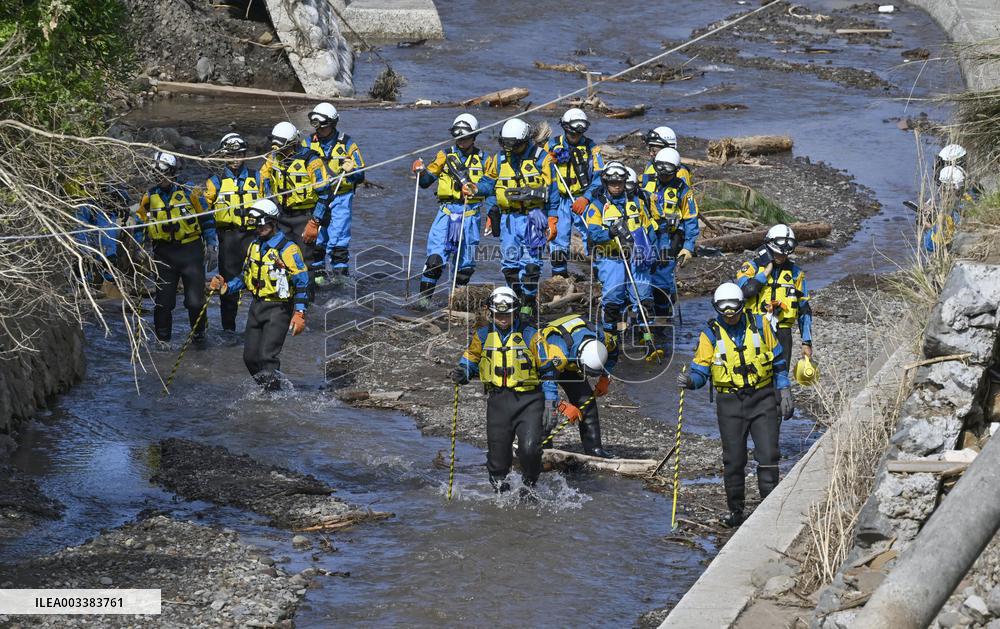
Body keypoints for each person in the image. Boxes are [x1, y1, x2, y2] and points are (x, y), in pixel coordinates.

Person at [677, 282, 793, 528]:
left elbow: (779, 360)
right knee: (734, 460)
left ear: (742, 306)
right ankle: (736, 511)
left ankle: (769, 510)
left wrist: (784, 390)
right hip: (730, 404)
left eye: (734, 309)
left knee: (768, 454)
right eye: (724, 311)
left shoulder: (761, 325)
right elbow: (701, 372)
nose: (730, 315)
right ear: (717, 309)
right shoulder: (709, 335)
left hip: (763, 398)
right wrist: (689, 381)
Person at [452, 287, 559, 493]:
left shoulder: (531, 336)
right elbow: (469, 361)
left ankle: (529, 487)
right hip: (498, 402)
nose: (502, 318)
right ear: (491, 313)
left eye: (507, 314)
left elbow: (548, 371)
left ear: (515, 313)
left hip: (529, 401)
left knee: (529, 450)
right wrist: (462, 373)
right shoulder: (482, 336)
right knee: (498, 460)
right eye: (498, 314)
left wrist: (550, 404)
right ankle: (501, 493)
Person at [209, 199, 308, 390]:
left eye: (263, 223)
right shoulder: (254, 246)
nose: (259, 227)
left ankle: (274, 399)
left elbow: (302, 281)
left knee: (266, 357)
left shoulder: (288, 249)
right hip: (257, 307)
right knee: (250, 358)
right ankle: (270, 390)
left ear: (273, 222)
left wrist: (300, 312)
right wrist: (226, 287)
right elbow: (246, 276)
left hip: (278, 309)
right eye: (256, 223)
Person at [467, 118, 559, 320]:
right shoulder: (499, 160)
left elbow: (553, 191)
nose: (509, 149)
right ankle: (516, 298)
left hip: (535, 216)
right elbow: (488, 184)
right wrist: (477, 191)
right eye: (505, 144)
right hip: (509, 218)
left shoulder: (542, 159)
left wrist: (553, 219)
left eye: (513, 145)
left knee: (532, 264)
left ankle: (528, 303)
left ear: (524, 141)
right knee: (509, 265)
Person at [137, 152, 217, 346]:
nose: (160, 178)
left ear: (172, 173)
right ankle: (163, 341)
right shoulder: (148, 197)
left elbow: (206, 219)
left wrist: (212, 245)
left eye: (164, 174)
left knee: (195, 302)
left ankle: (199, 336)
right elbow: (140, 224)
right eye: (156, 175)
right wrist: (140, 248)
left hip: (191, 251)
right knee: (163, 303)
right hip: (164, 254)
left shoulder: (191, 192)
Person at [410, 113, 490, 308]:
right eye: (458, 137)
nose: (462, 141)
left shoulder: (485, 160)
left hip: (470, 216)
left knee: (464, 268)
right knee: (435, 261)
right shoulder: (444, 155)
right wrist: (419, 171)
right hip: (446, 215)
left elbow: (491, 187)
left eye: (465, 137)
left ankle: (454, 305)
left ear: (474, 136)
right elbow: (427, 182)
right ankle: (423, 303)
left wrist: (478, 191)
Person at [583, 161, 658, 353]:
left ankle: (647, 337)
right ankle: (611, 337)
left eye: (620, 182)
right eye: (612, 182)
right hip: (611, 256)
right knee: (613, 296)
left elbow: (649, 227)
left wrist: (651, 249)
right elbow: (593, 233)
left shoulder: (637, 202)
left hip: (636, 255)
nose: (616, 186)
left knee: (643, 295)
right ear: (606, 182)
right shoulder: (597, 206)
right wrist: (610, 233)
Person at [203, 132, 270, 332]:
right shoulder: (214, 182)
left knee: (260, 279)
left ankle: (262, 325)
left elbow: (270, 206)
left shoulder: (257, 177)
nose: (235, 160)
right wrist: (210, 244)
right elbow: (205, 215)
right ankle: (229, 329)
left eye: (239, 154)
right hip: (228, 239)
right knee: (228, 286)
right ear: (223, 156)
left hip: (254, 237)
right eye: (230, 156)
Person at [260, 121, 330, 293]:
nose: (278, 151)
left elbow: (325, 194)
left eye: (282, 147)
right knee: (278, 257)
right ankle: (286, 297)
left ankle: (307, 303)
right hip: (282, 216)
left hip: (304, 217)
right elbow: (264, 179)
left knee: (305, 261)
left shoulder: (312, 161)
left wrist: (315, 222)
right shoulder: (273, 158)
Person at [735, 224, 813, 375]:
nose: (781, 257)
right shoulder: (750, 268)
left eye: (784, 255)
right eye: (777, 254)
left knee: (781, 373)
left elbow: (804, 309)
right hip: (754, 330)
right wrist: (767, 270)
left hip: (783, 332)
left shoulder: (796, 274)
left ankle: (782, 397)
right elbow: (747, 291)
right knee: (755, 374)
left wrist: (806, 342)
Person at [538, 314, 619, 457]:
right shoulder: (558, 351)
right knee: (546, 408)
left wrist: (605, 377)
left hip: (571, 362)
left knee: (586, 402)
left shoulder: (602, 338)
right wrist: (561, 406)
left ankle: (594, 450)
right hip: (544, 365)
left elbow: (614, 351)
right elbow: (547, 384)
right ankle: (542, 448)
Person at [306, 103, 366, 277]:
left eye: (323, 127)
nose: (320, 132)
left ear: (333, 124)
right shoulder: (307, 143)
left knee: (338, 241)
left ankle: (340, 280)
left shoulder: (348, 144)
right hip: (316, 198)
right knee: (317, 240)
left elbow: (361, 175)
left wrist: (352, 171)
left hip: (341, 198)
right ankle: (317, 280)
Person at [547, 108, 604, 277]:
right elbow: (541, 172)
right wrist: (548, 161)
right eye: (572, 133)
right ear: (565, 128)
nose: (575, 136)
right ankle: (559, 277)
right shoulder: (551, 145)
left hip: (583, 200)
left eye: (579, 133)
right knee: (557, 240)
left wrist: (586, 198)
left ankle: (600, 276)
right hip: (559, 200)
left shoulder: (593, 149)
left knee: (593, 236)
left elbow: (600, 177)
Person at [644, 147, 699, 320]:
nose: (664, 177)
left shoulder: (683, 190)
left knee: (662, 275)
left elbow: (691, 219)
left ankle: (663, 313)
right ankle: (648, 309)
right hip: (648, 235)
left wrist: (688, 247)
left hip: (670, 238)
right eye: (661, 173)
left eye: (668, 174)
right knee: (645, 273)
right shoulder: (646, 184)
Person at [923, 165, 970, 253]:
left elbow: (931, 246)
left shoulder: (946, 214)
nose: (941, 191)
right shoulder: (967, 199)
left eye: (942, 189)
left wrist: (927, 226)